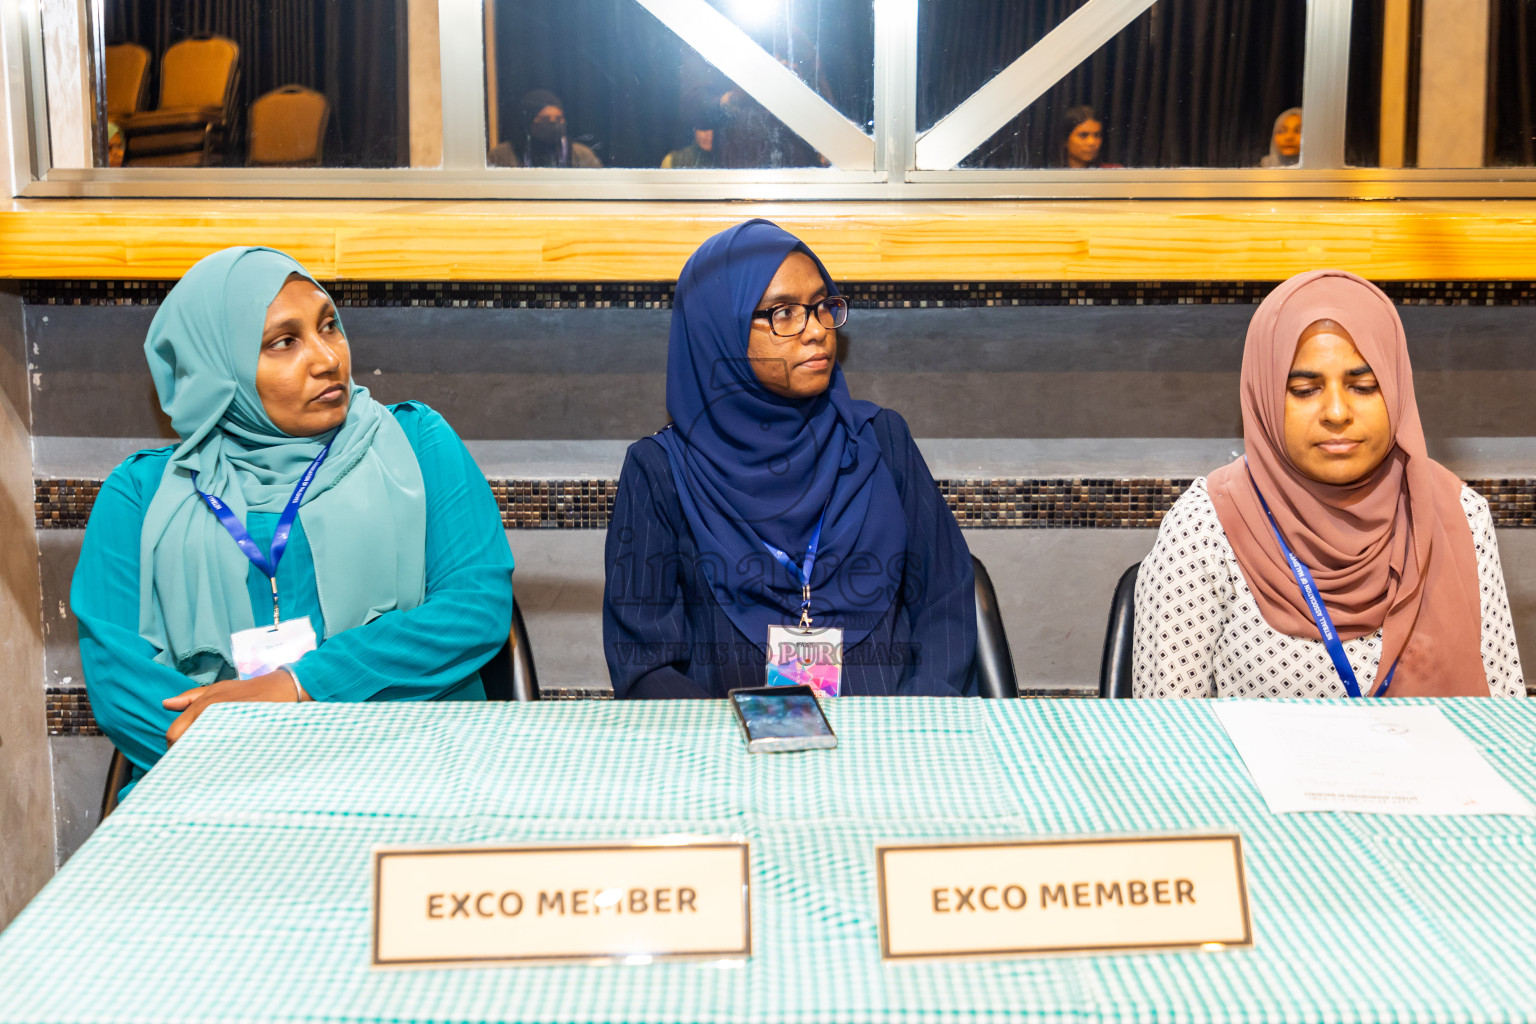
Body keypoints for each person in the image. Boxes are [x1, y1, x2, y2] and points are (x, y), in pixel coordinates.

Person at [73, 246, 516, 792]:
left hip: (417, 766)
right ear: (218, 369)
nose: (327, 358)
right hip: (219, 789)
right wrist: (271, 771)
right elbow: (122, 684)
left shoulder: (418, 446)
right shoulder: (140, 496)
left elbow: (474, 611)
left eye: (329, 327)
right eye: (283, 342)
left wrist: (301, 684)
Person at [603, 220, 976, 698]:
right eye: (783, 313)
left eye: (823, 306)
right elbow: (646, 665)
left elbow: (946, 602)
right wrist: (743, 743)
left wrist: (909, 728)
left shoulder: (880, 440)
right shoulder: (659, 472)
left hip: (890, 747)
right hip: (730, 757)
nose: (817, 330)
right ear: (720, 329)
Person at [1134, 270, 1523, 698]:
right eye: (1303, 389)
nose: (1337, 412)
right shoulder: (1204, 531)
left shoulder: (1457, 517)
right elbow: (1165, 741)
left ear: (1395, 389)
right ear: (1264, 396)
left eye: (1363, 386)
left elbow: (1504, 721)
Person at [488, 89, 603, 169]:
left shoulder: (581, 154)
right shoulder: (501, 155)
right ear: (529, 123)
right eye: (545, 119)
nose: (553, 124)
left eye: (558, 119)